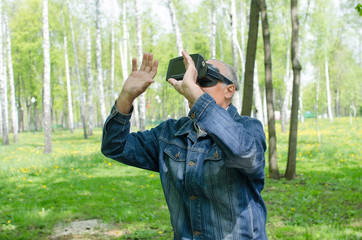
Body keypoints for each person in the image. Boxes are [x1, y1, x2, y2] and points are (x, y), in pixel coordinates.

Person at [101, 50, 268, 240]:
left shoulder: (249, 128)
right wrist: (126, 97)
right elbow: (114, 146)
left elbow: (246, 154)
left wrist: (199, 99)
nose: (194, 85)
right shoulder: (170, 133)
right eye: (193, 79)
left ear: (229, 90)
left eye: (204, 80)